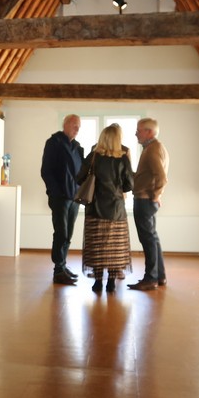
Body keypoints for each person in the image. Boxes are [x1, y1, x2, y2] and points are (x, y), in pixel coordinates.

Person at [78, 123, 134, 293]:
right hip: (116, 209)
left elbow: (79, 178)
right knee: (115, 248)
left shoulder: (93, 157)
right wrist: (118, 188)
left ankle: (97, 282)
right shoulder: (122, 159)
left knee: (97, 246)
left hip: (95, 208)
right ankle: (111, 282)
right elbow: (130, 184)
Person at [40, 114, 84, 285]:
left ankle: (62, 266)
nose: (77, 129)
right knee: (61, 233)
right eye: (74, 125)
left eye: (79, 126)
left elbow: (81, 173)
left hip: (74, 199)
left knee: (68, 234)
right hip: (60, 198)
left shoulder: (78, 148)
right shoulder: (54, 143)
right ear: (65, 124)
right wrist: (56, 192)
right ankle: (58, 270)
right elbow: (46, 171)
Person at [128, 117, 170, 290]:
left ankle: (151, 278)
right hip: (147, 199)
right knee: (152, 238)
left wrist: (156, 195)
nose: (136, 134)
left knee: (148, 240)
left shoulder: (152, 150)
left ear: (149, 132)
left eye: (139, 130)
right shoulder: (154, 148)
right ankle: (159, 276)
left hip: (145, 200)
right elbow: (148, 175)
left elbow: (161, 177)